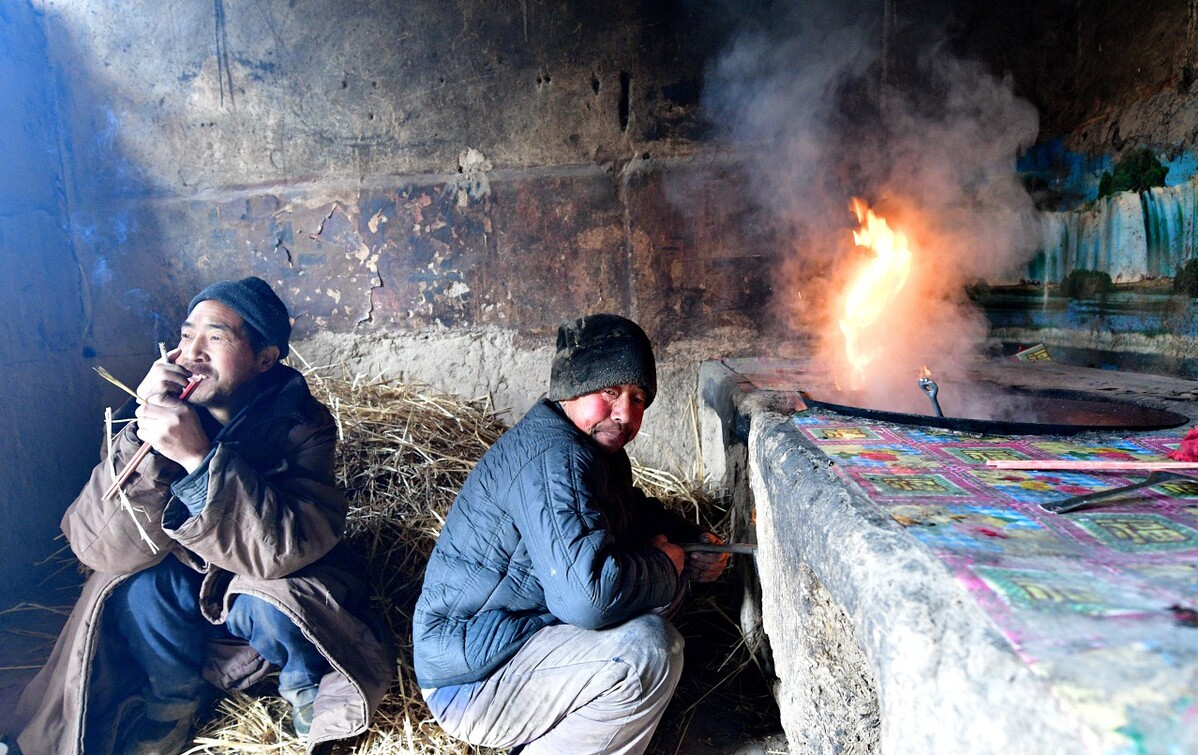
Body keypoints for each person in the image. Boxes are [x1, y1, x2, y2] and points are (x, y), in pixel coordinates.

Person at [8, 277, 393, 755]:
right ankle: (173, 701)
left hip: (260, 588)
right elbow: (97, 547)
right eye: (186, 334)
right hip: (190, 592)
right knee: (136, 588)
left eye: (216, 337)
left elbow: (283, 549)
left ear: (264, 359)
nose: (192, 352)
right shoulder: (149, 416)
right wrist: (143, 434)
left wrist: (200, 461)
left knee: (275, 602)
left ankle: (303, 689)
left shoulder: (300, 422)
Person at [413, 313, 728, 755]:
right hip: (473, 679)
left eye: (638, 398)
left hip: (516, 638)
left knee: (662, 592)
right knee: (647, 653)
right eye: (609, 392)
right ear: (571, 389)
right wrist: (663, 564)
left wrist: (689, 542)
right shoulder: (554, 457)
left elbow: (631, 516)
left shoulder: (593, 449)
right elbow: (589, 599)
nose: (625, 413)